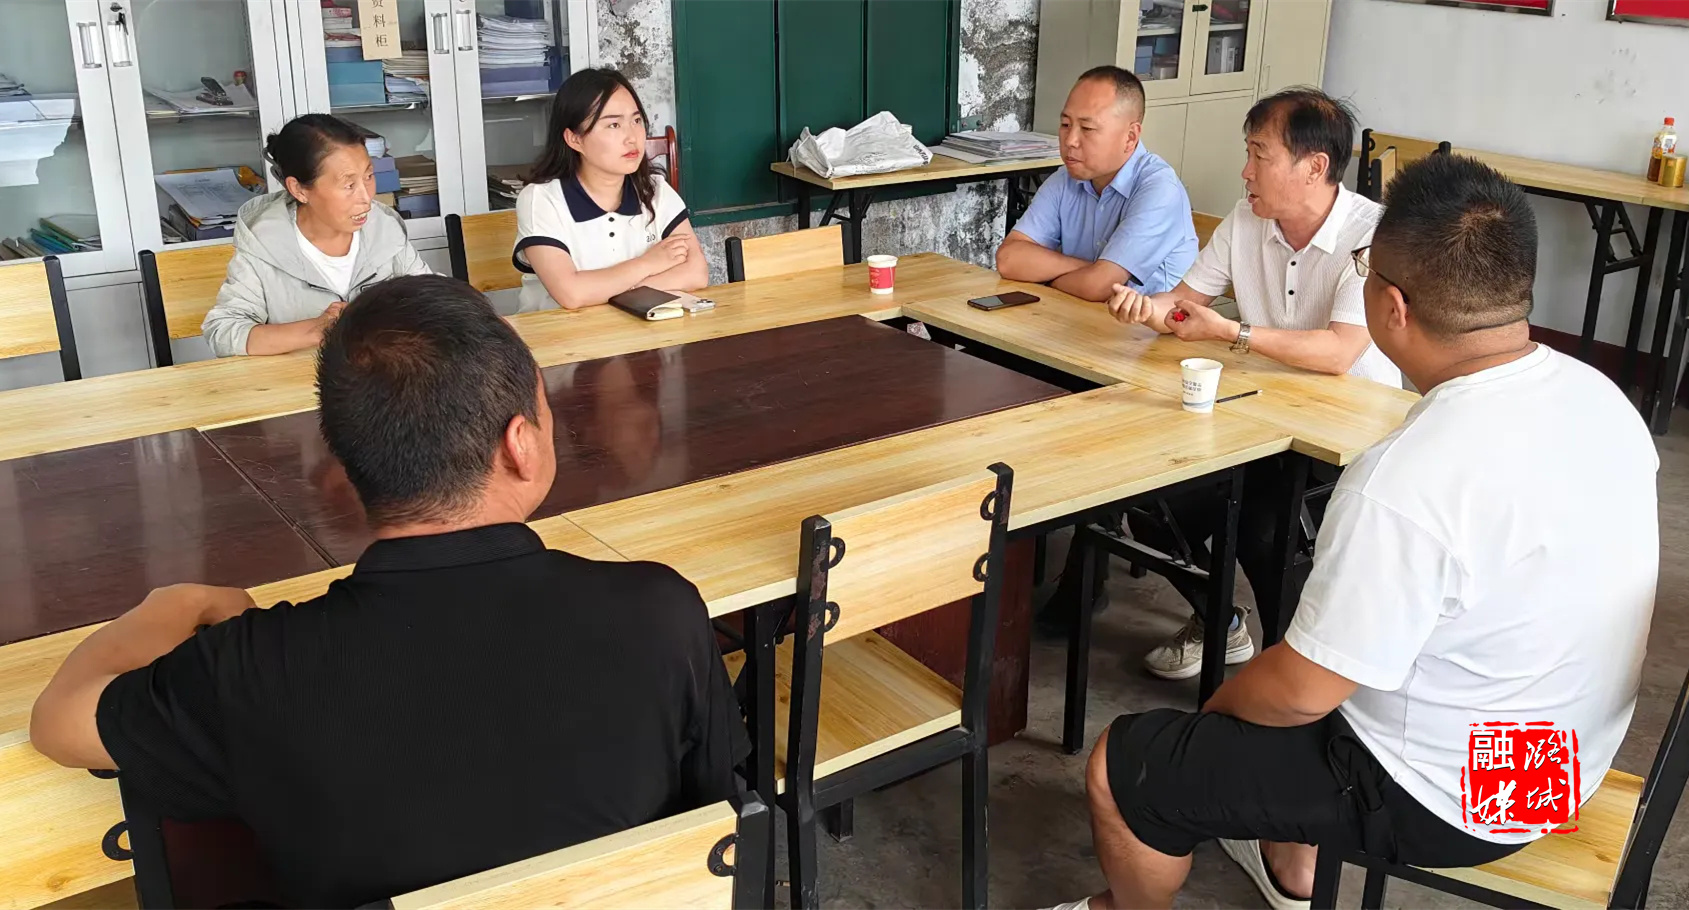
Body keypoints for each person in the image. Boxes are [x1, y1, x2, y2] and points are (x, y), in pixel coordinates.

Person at [31, 276, 748, 908]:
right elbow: (716, 817)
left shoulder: (254, 666)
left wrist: (178, 604)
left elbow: (58, 722)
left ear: (346, 468)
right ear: (520, 444)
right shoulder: (658, 611)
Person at [1060, 154, 1658, 910]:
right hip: (1566, 760)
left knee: (1128, 765)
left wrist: (1215, 719)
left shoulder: (1407, 476)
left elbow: (1300, 693)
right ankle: (1292, 864)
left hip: (1456, 798)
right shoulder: (1600, 398)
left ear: (1394, 307)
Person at [1100, 87, 1401, 681]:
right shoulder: (1246, 220)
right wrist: (1144, 308)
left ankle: (1289, 676)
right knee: (1154, 501)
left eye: (1260, 155)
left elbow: (1339, 351)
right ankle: (1220, 622)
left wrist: (1231, 333)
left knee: (1267, 532)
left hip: (1346, 436)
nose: (1245, 171)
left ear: (1314, 166)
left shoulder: (1373, 233)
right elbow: (1184, 304)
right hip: (1261, 416)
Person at [202, 113, 432, 357]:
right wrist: (316, 329)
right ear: (299, 190)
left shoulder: (385, 230)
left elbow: (432, 300)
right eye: (349, 185)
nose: (366, 198)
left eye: (369, 176)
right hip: (297, 379)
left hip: (378, 377)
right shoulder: (264, 242)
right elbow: (223, 332)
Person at [996, 65, 1198, 302]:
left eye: (1087, 128)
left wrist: (1046, 278)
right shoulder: (1065, 179)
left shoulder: (1160, 188)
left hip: (1149, 325)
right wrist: (1090, 271)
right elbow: (1008, 259)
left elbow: (1101, 287)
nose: (1070, 141)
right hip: (1076, 316)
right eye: (1065, 124)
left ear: (1130, 137)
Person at [514, 68, 706, 311]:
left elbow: (697, 273)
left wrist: (610, 289)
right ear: (575, 139)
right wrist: (648, 263)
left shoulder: (655, 189)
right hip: (562, 332)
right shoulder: (541, 199)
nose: (632, 137)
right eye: (614, 125)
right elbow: (571, 294)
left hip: (639, 329)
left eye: (636, 121)